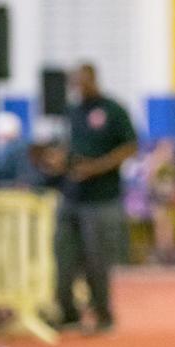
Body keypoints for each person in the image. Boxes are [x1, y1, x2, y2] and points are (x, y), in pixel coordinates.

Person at [50, 64, 137, 333]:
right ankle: (68, 313)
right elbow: (69, 144)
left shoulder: (113, 110)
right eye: (75, 83)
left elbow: (130, 146)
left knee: (96, 261)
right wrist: (59, 160)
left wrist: (97, 167)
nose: (79, 88)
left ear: (93, 79)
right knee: (63, 257)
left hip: (102, 199)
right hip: (71, 196)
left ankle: (103, 315)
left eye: (82, 82)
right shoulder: (73, 111)